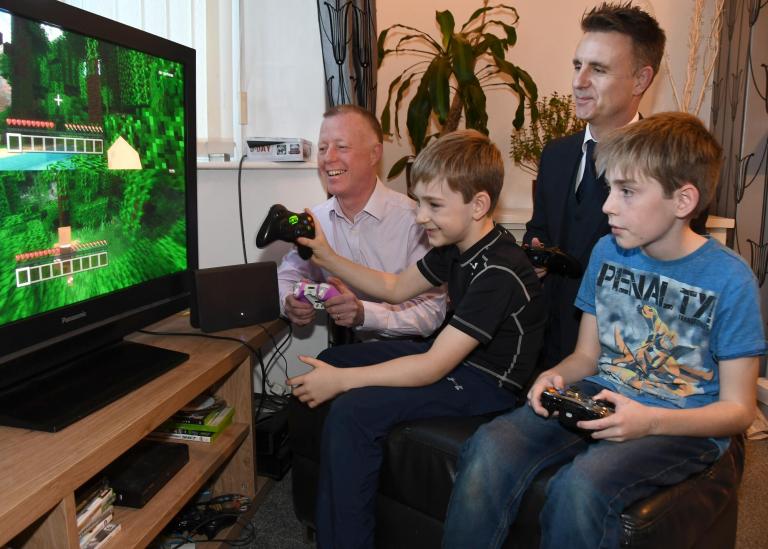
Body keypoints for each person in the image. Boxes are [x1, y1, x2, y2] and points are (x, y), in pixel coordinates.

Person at [442, 112, 767, 549]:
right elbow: (586, 358)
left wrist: (650, 421)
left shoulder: (730, 280)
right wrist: (553, 376)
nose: (607, 205)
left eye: (627, 192)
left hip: (682, 424)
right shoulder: (607, 251)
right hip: (602, 395)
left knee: (582, 487)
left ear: (683, 200)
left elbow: (738, 410)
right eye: (610, 188)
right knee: (489, 447)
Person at [287, 130, 547, 548]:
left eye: (434, 205)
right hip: (453, 358)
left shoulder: (500, 270)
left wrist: (343, 384)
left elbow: (432, 366)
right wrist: (325, 255)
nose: (421, 216)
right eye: (420, 202)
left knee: (354, 407)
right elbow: (393, 288)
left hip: (488, 384)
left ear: (479, 204)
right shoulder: (457, 245)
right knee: (333, 359)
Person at [524, 2, 666, 369]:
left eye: (598, 69)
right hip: (543, 355)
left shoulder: (670, 170)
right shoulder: (555, 156)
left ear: (641, 79)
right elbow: (539, 231)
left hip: (622, 369)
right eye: (577, 65)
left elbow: (666, 282)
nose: (578, 81)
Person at [277, 104, 446, 339]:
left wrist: (365, 314)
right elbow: (287, 274)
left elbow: (432, 312)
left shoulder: (415, 220)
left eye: (342, 147)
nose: (328, 158)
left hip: (409, 355)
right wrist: (288, 300)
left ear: (374, 154)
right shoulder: (316, 220)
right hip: (347, 349)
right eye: (323, 148)